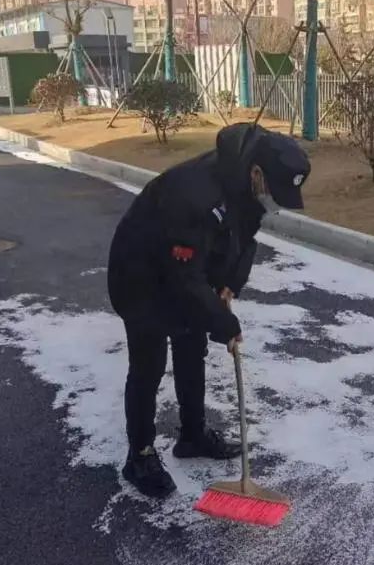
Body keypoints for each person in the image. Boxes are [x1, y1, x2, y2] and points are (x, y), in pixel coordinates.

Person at [107, 122, 311, 498]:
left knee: (191, 347)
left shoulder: (245, 183)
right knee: (149, 364)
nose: (275, 204)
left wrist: (231, 281)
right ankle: (140, 455)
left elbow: (245, 237)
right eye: (276, 193)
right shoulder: (193, 195)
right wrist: (224, 322)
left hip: (184, 267)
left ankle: (193, 436)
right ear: (257, 174)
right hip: (139, 274)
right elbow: (184, 278)